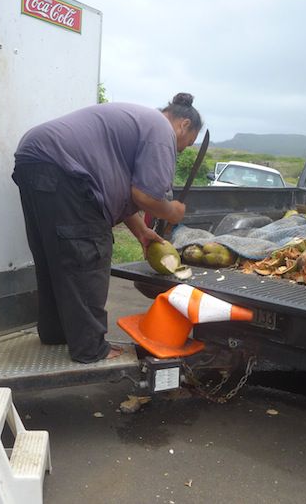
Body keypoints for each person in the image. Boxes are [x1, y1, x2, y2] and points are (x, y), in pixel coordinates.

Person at [12, 93, 203, 363]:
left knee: (55, 256)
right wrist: (173, 211)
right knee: (87, 255)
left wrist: (141, 232)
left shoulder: (137, 123)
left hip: (34, 160)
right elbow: (146, 197)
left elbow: (122, 188)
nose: (181, 150)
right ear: (184, 124)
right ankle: (91, 348)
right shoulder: (161, 130)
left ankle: (57, 333)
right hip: (64, 170)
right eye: (187, 144)